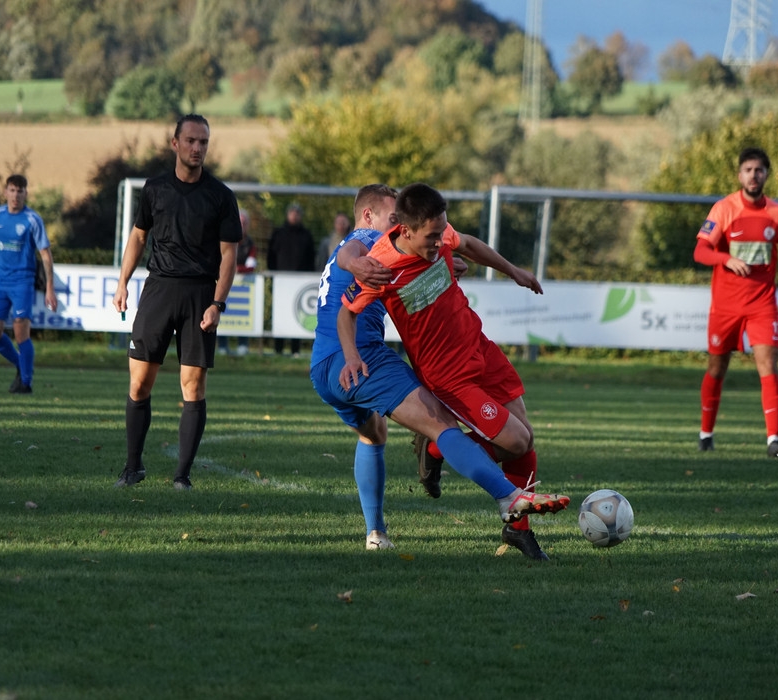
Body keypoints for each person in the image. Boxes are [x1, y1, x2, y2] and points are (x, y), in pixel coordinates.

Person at [312, 184, 569, 556]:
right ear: (386, 222)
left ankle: (381, 533)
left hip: (472, 347)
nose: (396, 221)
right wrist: (355, 267)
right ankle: (487, 484)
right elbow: (351, 262)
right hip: (397, 363)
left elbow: (464, 244)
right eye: (392, 216)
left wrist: (509, 270)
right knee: (499, 439)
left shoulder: (434, 239)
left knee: (377, 435)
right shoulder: (375, 250)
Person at [112, 114, 242, 490]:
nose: (197, 148)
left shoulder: (221, 196)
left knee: (193, 386)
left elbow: (229, 255)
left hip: (200, 294)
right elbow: (138, 237)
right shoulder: (155, 189)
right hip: (158, 290)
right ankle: (133, 467)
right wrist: (123, 283)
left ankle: (182, 476)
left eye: (203, 142)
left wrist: (217, 303)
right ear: (175, 143)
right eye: (190, 141)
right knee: (139, 383)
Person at [693, 146, 778, 458]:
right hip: (725, 305)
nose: (754, 175)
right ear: (740, 175)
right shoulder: (724, 209)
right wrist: (726, 259)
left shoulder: (776, 213)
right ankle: (706, 434)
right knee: (717, 367)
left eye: (759, 170)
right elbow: (700, 251)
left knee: (768, 365)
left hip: (762, 305)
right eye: (748, 170)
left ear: (767, 175)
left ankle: (773, 440)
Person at [0, 174, 57, 393]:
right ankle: (20, 365)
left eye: (20, 191)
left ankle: (26, 383)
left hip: (22, 282)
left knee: (21, 332)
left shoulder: (32, 219)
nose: (15, 195)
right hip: (0, 282)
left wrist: (50, 288)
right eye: (12, 190)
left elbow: (45, 254)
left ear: (25, 194)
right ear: (5, 192)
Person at [267, 202, 315, 357]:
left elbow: (311, 258)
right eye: (292, 213)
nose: (295, 216)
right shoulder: (278, 233)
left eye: (297, 213)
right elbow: (270, 257)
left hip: (299, 282)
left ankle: (295, 350)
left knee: (297, 314)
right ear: (288, 215)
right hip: (281, 282)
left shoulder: (306, 235)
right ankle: (278, 349)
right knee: (280, 315)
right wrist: (273, 276)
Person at [218, 208, 257, 356]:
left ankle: (243, 344)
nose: (242, 226)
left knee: (243, 316)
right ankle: (222, 345)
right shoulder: (224, 239)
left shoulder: (250, 243)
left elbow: (251, 265)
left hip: (243, 287)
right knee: (221, 311)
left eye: (244, 223)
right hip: (223, 282)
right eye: (240, 222)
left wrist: (234, 268)